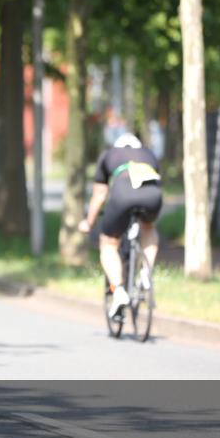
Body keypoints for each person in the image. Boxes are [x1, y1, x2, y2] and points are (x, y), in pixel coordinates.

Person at [78, 133, 163, 317]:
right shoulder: (149, 154)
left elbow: (100, 195)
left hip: (123, 195)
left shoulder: (109, 155)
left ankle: (118, 291)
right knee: (149, 228)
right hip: (152, 197)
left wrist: (89, 222)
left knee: (108, 243)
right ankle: (146, 273)